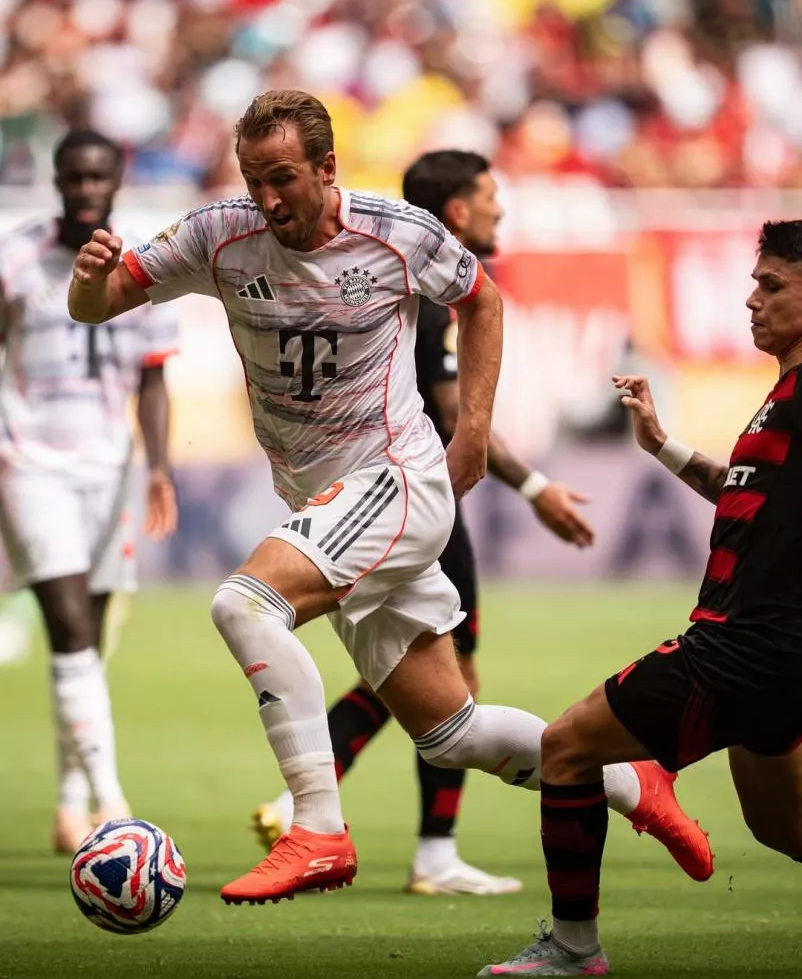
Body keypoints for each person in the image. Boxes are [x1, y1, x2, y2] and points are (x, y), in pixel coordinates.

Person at [68, 89, 711, 906]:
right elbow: (99, 303)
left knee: (244, 605)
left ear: (328, 168)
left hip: (394, 481)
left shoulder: (399, 233)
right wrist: (88, 284)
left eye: (285, 179)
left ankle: (319, 830)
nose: (268, 199)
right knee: (452, 734)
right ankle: (636, 785)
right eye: (255, 178)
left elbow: (481, 298)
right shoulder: (217, 234)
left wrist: (474, 428)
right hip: (321, 499)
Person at [252, 149, 595, 897]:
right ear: (461, 211)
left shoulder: (395, 265)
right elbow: (449, 411)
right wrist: (534, 485)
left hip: (370, 496)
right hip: (407, 501)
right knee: (440, 683)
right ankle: (414, 844)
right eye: (490, 197)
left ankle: (323, 806)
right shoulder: (428, 282)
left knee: (414, 681)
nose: (500, 211)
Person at [478, 218, 802, 977]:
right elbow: (740, 492)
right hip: (771, 654)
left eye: (773, 285)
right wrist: (662, 446)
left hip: (741, 645)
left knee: (565, 747)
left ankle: (573, 949)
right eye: (755, 283)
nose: (751, 299)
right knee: (782, 828)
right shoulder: (782, 393)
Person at [0, 129, 180, 853]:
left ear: (116, 178)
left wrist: (160, 466)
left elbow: (154, 376)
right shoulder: (16, 256)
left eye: (96, 177)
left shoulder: (147, 263)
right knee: (70, 629)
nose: (83, 189)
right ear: (56, 178)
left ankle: (71, 804)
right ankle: (113, 806)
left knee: (89, 641)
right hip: (28, 461)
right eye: (72, 177)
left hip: (112, 470)